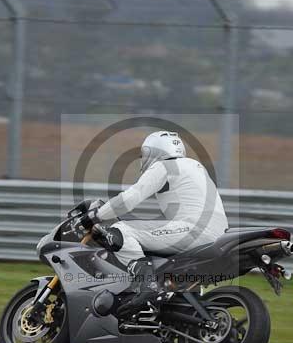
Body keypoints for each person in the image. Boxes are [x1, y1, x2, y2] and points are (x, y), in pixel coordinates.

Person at [77, 130, 229, 319]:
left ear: (156, 151)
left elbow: (131, 198)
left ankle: (146, 284)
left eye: (146, 153)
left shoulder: (164, 167)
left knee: (121, 230)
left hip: (194, 230)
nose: (144, 157)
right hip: (217, 233)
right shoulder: (195, 166)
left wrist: (96, 215)